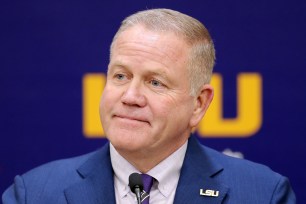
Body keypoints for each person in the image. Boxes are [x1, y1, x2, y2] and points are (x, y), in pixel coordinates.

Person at [2, 8, 296, 204]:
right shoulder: (34, 193)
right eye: (120, 76)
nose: (130, 96)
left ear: (199, 104)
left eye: (155, 82)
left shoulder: (262, 194)